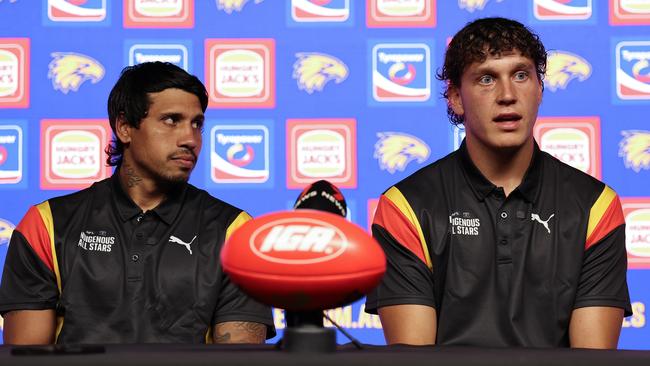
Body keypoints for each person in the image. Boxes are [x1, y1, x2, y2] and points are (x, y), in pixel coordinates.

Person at [365, 17, 631, 348]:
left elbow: (592, 361)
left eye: (521, 75)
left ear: (540, 89)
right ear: (456, 98)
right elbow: (415, 359)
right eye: (486, 78)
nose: (507, 94)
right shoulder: (405, 207)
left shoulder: (596, 206)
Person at [0, 62, 274, 344]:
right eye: (171, 120)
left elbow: (240, 358)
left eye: (197, 124)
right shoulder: (46, 224)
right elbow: (26, 358)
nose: (190, 138)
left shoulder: (236, 233)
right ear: (124, 127)